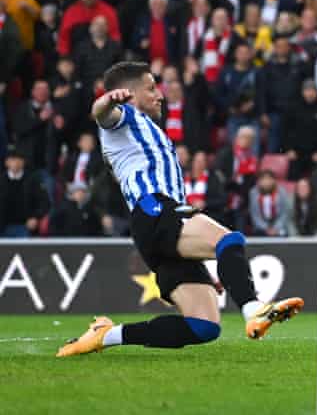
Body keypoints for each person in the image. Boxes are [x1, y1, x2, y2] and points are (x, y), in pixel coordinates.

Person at [56, 62, 303, 358]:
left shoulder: (143, 131)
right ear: (128, 94)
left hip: (154, 226)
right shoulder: (122, 118)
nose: (159, 95)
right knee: (229, 240)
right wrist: (107, 100)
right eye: (151, 88)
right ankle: (253, 309)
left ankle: (107, 335)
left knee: (203, 327)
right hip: (156, 210)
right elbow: (102, 114)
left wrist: (228, 272)